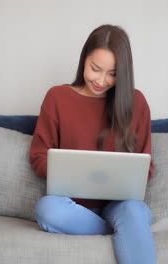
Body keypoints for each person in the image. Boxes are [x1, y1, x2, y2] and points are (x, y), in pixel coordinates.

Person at [29, 24, 156, 264]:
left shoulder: (137, 103)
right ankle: (125, 232)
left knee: (133, 211)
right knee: (47, 209)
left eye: (113, 73)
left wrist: (129, 177)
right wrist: (69, 172)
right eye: (95, 69)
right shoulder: (57, 97)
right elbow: (38, 155)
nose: (101, 80)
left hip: (121, 205)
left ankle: (129, 226)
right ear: (83, 59)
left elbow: (146, 165)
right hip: (70, 204)